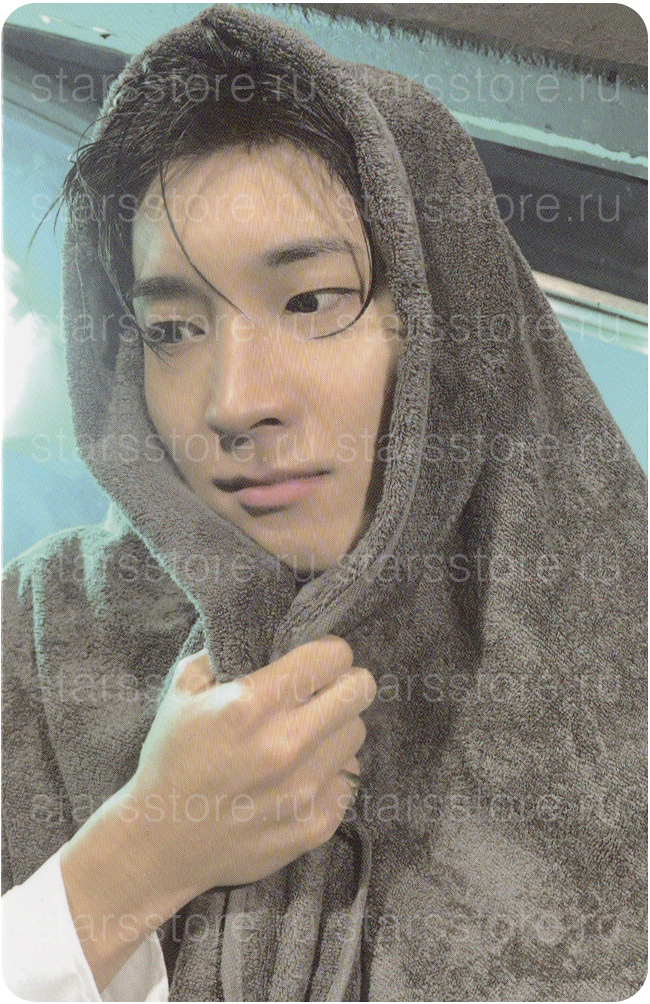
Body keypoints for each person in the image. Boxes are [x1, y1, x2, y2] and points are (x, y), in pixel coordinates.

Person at [2, 5, 646, 1001]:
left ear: (448, 333)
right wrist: (136, 857)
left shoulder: (614, 663)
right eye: (172, 328)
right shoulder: (35, 636)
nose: (232, 402)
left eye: (309, 301)